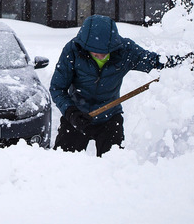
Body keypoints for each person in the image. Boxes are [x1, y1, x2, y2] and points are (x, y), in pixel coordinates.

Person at [49, 14, 184, 156]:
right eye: (96, 53)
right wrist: (71, 113)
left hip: (109, 117)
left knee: (114, 167)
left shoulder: (125, 51)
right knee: (65, 165)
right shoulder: (73, 51)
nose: (101, 56)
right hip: (77, 116)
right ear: (85, 46)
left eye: (105, 52)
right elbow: (57, 88)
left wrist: (181, 62)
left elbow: (153, 61)